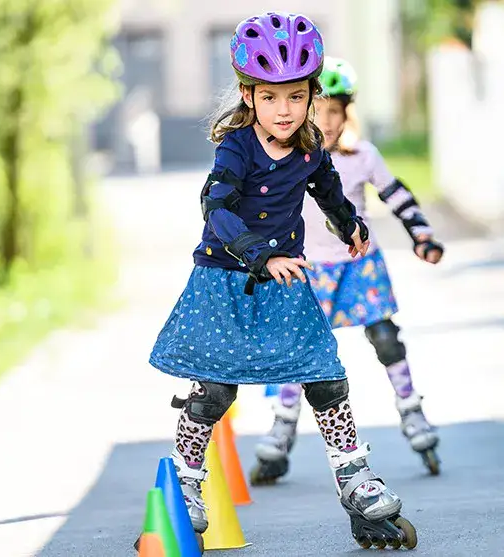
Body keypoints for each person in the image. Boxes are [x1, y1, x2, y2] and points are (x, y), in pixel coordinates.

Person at [145, 15, 416, 552]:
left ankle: (355, 478)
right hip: (225, 281)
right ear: (249, 96)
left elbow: (328, 189)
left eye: (296, 96)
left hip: (285, 282)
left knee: (325, 377)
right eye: (270, 97)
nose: (285, 110)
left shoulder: (310, 148)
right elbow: (216, 208)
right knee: (214, 390)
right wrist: (262, 255)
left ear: (312, 95)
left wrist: (349, 225)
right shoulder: (237, 148)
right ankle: (187, 482)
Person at [251, 57, 444, 489]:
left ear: (347, 114)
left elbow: (396, 195)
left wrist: (422, 235)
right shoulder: (288, 155)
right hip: (308, 267)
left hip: (358, 265)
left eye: (334, 112)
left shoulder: (362, 155)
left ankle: (411, 410)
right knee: (298, 349)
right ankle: (282, 426)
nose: (326, 121)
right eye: (318, 111)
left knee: (385, 336)